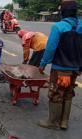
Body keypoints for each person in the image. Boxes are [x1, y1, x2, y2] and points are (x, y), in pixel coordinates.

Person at [38, 0, 82, 130]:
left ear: (63, 12)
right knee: (68, 93)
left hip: (60, 69)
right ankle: (64, 122)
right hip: (75, 69)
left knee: (56, 93)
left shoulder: (59, 27)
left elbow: (50, 48)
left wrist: (43, 64)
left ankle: (52, 122)